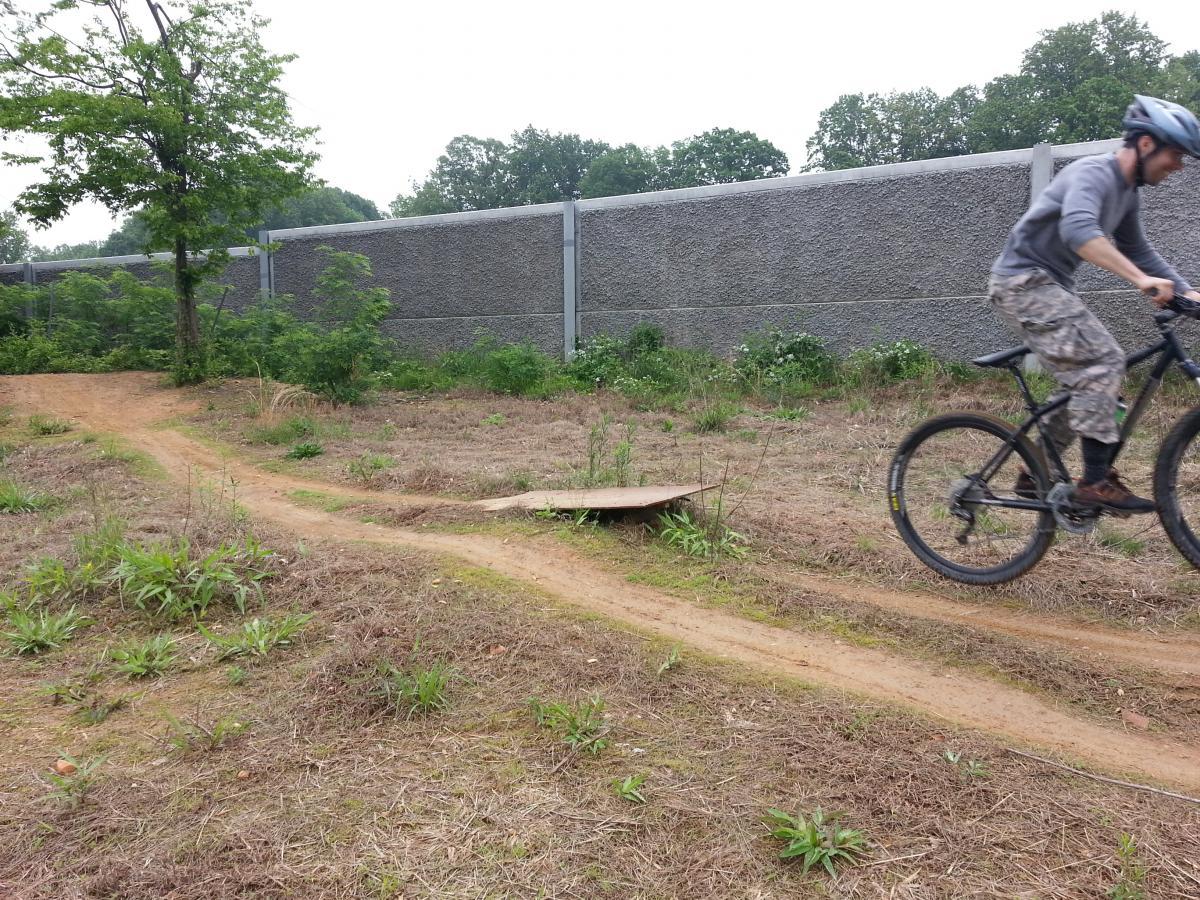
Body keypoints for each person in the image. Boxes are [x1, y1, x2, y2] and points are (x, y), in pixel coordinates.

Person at [988, 94, 1200, 515]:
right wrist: (1141, 281)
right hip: (1021, 282)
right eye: (1175, 154)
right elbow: (1079, 232)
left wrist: (1187, 290)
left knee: (1102, 395)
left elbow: (1140, 250)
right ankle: (1095, 482)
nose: (1179, 165)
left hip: (1050, 287)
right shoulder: (1092, 173)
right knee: (1104, 361)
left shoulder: (1127, 194)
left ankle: (1035, 474)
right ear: (1144, 144)